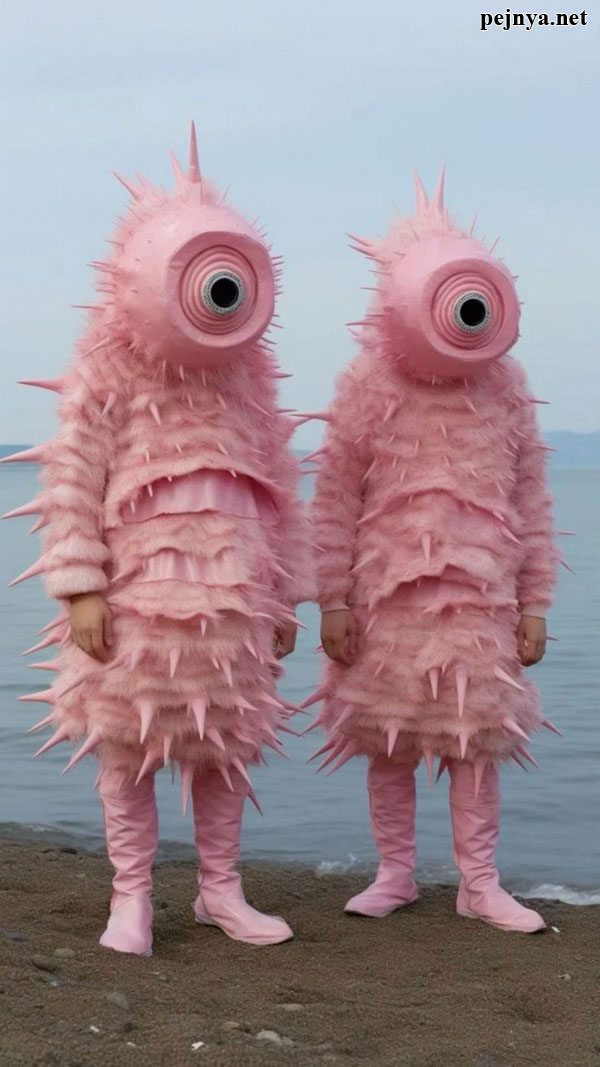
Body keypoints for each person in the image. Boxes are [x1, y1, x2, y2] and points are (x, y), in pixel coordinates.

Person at [3, 125, 311, 956]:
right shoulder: (108, 362)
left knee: (225, 742)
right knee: (127, 741)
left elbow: (281, 483)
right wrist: (82, 586)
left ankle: (220, 889)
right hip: (138, 586)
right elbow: (74, 473)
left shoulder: (250, 373)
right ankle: (131, 895)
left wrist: (288, 593)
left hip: (235, 589)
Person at [306, 169, 563, 934]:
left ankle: (479, 882)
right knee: (388, 735)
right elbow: (334, 496)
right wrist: (333, 598)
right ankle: (395, 872)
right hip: (387, 596)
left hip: (482, 598)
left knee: (474, 737)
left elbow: (531, 499)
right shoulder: (367, 382)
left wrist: (536, 603)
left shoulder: (505, 386)